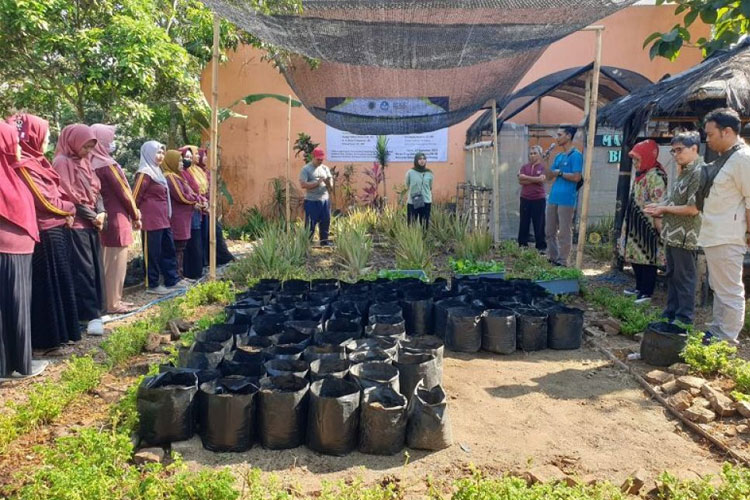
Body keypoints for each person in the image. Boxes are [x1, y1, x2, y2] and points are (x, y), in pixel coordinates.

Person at [11, 113, 80, 351]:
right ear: (33, 136)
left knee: (60, 283)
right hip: (45, 233)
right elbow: (45, 201)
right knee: (47, 288)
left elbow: (57, 192)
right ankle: (47, 339)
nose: (48, 139)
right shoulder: (24, 165)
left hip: (57, 228)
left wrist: (67, 210)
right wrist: (69, 209)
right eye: (46, 135)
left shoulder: (40, 162)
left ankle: (62, 334)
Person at [698, 108, 750, 344]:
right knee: (719, 288)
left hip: (729, 236)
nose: (707, 139)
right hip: (715, 234)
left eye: (710, 134)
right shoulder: (727, 156)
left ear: (727, 131)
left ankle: (727, 339)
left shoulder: (743, 158)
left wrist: (748, 234)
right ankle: (717, 332)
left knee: (729, 291)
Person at [0, 121, 47, 378]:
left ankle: (10, 364)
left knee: (13, 309)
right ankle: (17, 365)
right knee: (14, 308)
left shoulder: (12, 172)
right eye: (14, 142)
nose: (19, 147)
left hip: (17, 248)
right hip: (9, 250)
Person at [53, 124, 107, 335]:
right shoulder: (62, 162)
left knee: (94, 268)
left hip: (92, 223)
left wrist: (101, 212)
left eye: (91, 147)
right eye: (85, 147)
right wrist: (94, 217)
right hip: (77, 225)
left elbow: (97, 190)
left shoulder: (85, 162)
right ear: (73, 142)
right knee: (83, 270)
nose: (87, 152)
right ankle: (87, 315)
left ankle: (96, 311)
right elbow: (68, 195)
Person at [644, 132, 702, 324]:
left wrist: (663, 208)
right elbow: (674, 200)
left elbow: (693, 208)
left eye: (680, 150)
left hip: (686, 235)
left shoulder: (698, 172)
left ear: (694, 148)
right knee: (672, 275)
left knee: (684, 278)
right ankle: (670, 314)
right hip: (672, 233)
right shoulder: (684, 170)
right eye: (673, 150)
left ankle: (683, 319)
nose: (676, 154)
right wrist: (659, 206)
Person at [91, 124, 141, 314]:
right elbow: (124, 192)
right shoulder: (107, 165)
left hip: (104, 218)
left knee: (106, 262)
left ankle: (109, 301)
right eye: (109, 139)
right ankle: (113, 302)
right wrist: (135, 214)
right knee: (116, 264)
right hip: (117, 218)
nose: (112, 143)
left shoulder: (91, 163)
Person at [133, 141, 187, 294]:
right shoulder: (144, 173)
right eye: (157, 152)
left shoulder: (157, 172)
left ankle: (172, 279)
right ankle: (153, 284)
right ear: (148, 153)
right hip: (150, 220)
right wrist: (134, 215)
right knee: (153, 253)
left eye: (162, 153)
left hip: (163, 219)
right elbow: (135, 196)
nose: (160, 156)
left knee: (167, 250)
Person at [620, 139, 667, 304]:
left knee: (648, 258)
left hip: (648, 225)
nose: (635, 163)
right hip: (636, 223)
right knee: (635, 256)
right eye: (634, 160)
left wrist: (657, 223)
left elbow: (659, 201)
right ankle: (639, 287)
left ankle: (647, 292)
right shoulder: (642, 174)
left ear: (648, 157)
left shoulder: (656, 175)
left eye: (638, 159)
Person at [545, 126, 583, 266]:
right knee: (549, 230)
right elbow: (548, 176)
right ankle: (553, 257)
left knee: (564, 231)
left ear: (568, 136)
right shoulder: (558, 156)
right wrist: (546, 160)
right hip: (553, 197)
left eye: (560, 135)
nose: (557, 137)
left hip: (566, 199)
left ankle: (563, 260)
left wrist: (560, 173)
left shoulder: (576, 155)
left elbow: (577, 177)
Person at [163, 150, 204, 279]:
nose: (182, 163)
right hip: (178, 218)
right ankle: (177, 276)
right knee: (177, 248)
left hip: (184, 217)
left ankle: (179, 275)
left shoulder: (178, 176)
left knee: (181, 248)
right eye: (179, 161)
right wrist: (195, 201)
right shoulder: (170, 177)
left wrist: (199, 200)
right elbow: (181, 196)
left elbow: (191, 192)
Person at [179, 146, 207, 278]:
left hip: (197, 208)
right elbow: (184, 194)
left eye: (191, 157)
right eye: (186, 157)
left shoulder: (190, 172)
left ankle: (197, 269)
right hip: (188, 212)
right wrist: (196, 201)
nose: (188, 160)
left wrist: (202, 200)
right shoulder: (178, 175)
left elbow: (194, 190)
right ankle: (191, 272)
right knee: (190, 242)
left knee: (197, 240)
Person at [299, 146, 333, 245]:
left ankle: (324, 242)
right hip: (311, 201)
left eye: (322, 159)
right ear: (313, 157)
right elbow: (303, 184)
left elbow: (331, 186)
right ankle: (307, 243)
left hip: (324, 200)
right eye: (318, 159)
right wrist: (317, 183)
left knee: (325, 221)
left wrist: (328, 182)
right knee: (310, 224)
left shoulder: (325, 168)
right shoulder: (306, 169)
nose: (320, 161)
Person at [517, 145, 547, 250]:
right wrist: (535, 179)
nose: (532, 155)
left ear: (539, 155)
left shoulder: (543, 167)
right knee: (524, 221)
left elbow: (541, 180)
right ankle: (522, 245)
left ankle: (541, 247)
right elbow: (520, 180)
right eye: (531, 153)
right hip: (525, 198)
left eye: (535, 153)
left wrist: (527, 178)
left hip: (538, 199)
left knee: (539, 223)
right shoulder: (524, 167)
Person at [405, 152, 434, 228]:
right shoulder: (410, 172)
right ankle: (411, 239)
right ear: (416, 160)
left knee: (424, 223)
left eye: (424, 159)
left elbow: (430, 187)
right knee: (412, 223)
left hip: (426, 200)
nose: (422, 160)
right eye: (420, 159)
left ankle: (424, 238)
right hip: (414, 200)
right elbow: (407, 185)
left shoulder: (429, 173)